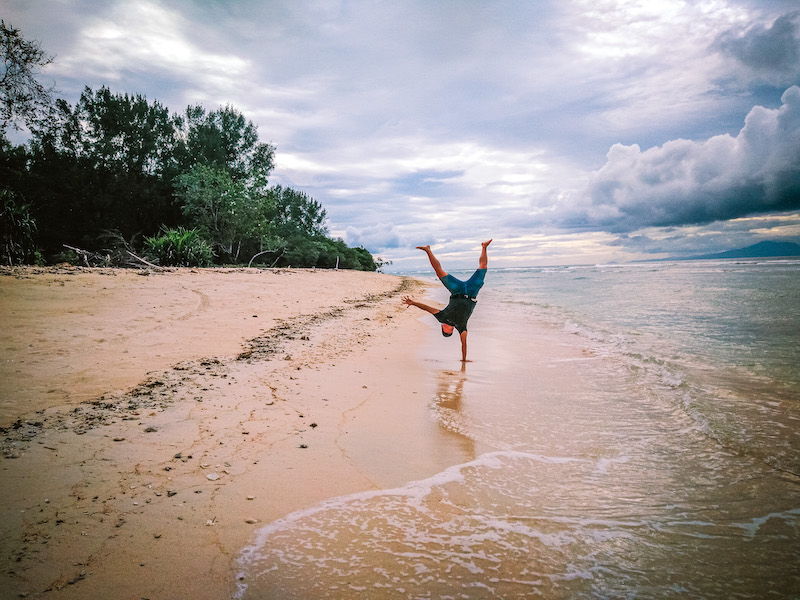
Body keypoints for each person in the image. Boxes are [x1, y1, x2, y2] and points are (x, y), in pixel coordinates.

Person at [403, 239, 491, 362]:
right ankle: (484, 247)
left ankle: (428, 250)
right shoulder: (461, 327)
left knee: (439, 273)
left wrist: (413, 303)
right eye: (444, 329)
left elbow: (427, 308)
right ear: (449, 331)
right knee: (483, 267)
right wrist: (464, 360)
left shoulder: (442, 317)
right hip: (472, 292)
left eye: (442, 327)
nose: (443, 325)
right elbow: (464, 344)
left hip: (457, 291)